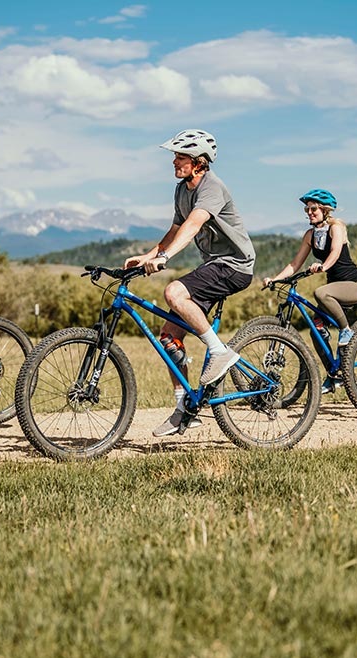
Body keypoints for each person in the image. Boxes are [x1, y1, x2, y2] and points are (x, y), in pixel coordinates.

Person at [125, 129, 256, 437]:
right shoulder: (182, 190)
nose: (174, 161)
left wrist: (166, 257)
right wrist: (149, 254)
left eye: (180, 156)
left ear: (198, 162)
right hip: (213, 265)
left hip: (235, 265)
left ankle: (219, 351)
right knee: (169, 338)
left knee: (174, 292)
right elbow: (176, 228)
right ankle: (185, 409)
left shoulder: (212, 187)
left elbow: (195, 222)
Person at [262, 189, 357, 393]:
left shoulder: (336, 228)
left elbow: (335, 251)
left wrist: (323, 266)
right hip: (333, 290)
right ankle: (335, 375)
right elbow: (295, 263)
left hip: (352, 285)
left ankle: (346, 331)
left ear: (325, 210)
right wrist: (275, 279)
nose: (309, 212)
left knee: (320, 293)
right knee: (316, 330)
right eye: (307, 209)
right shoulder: (310, 235)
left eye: (314, 208)